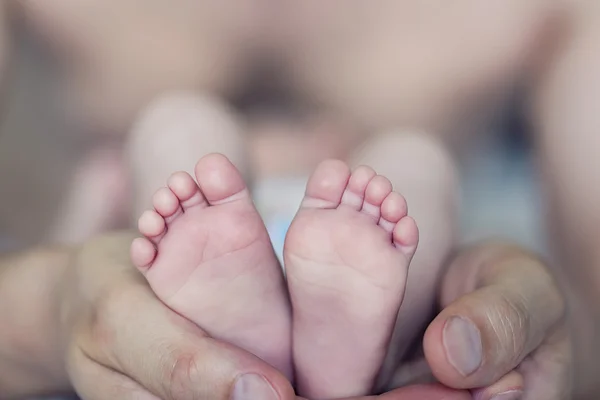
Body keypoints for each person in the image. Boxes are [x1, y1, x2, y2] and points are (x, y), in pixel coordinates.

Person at [0, 232, 583, 399]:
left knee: (176, 124)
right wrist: (54, 304)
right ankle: (359, 356)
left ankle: (352, 340)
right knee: (414, 156)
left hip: (205, 237)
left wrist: (541, 328)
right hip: (217, 242)